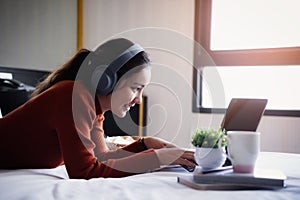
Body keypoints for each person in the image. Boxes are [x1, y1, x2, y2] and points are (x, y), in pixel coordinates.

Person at [0, 38, 196, 179]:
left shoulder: (93, 107)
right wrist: (156, 158)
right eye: (136, 88)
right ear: (106, 79)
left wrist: (145, 144)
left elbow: (100, 159)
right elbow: (85, 171)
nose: (138, 100)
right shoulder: (73, 96)